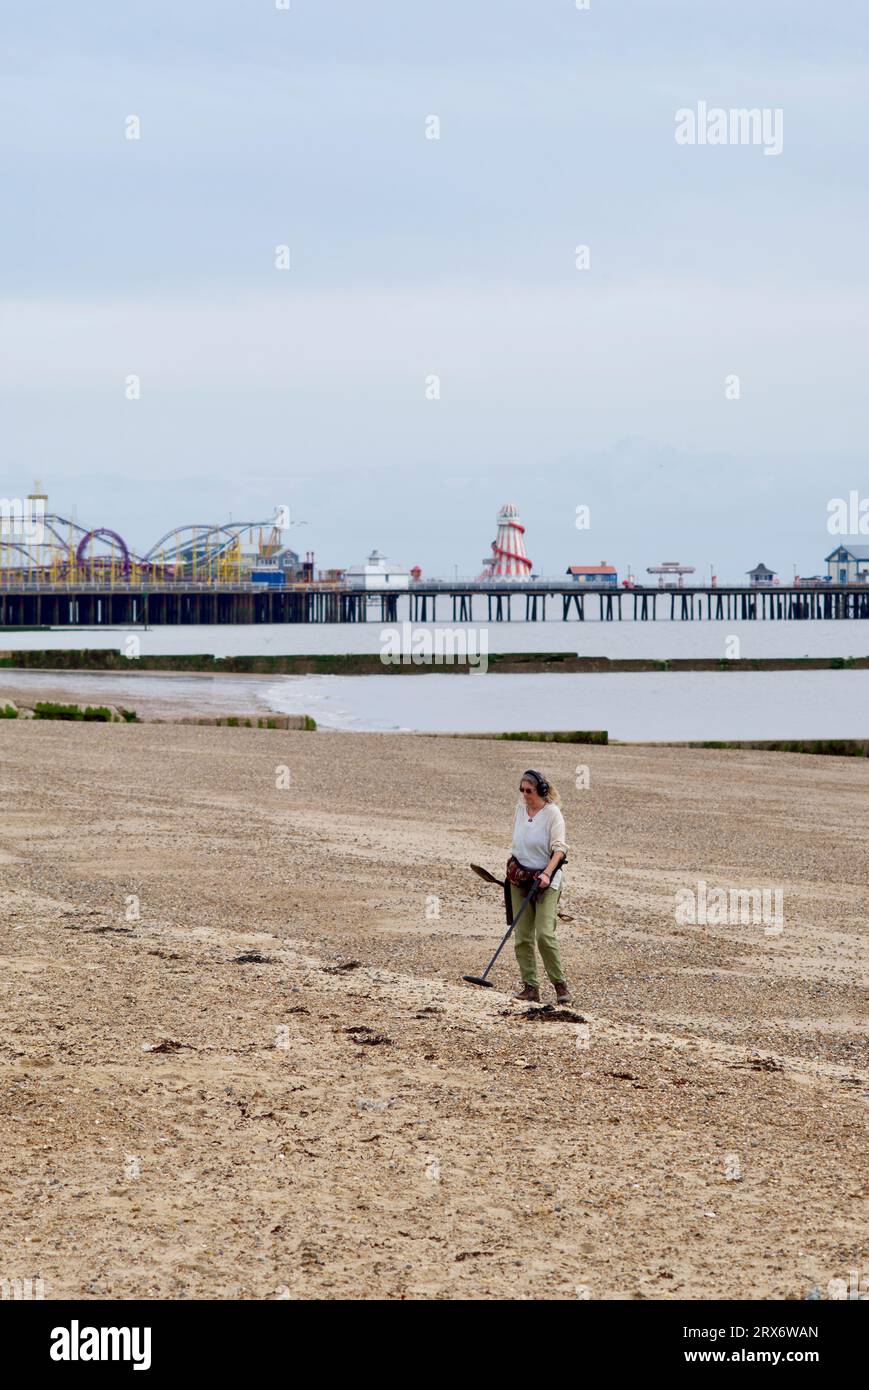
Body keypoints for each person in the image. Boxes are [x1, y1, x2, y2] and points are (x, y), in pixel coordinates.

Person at [508, 769, 571, 1004]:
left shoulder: (553, 814)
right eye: (522, 790)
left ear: (542, 791)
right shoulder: (519, 810)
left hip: (546, 880)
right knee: (522, 935)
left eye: (530, 791)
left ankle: (561, 987)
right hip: (520, 878)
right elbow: (518, 843)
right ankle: (530, 987)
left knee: (544, 934)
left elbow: (560, 849)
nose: (525, 795)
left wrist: (546, 873)